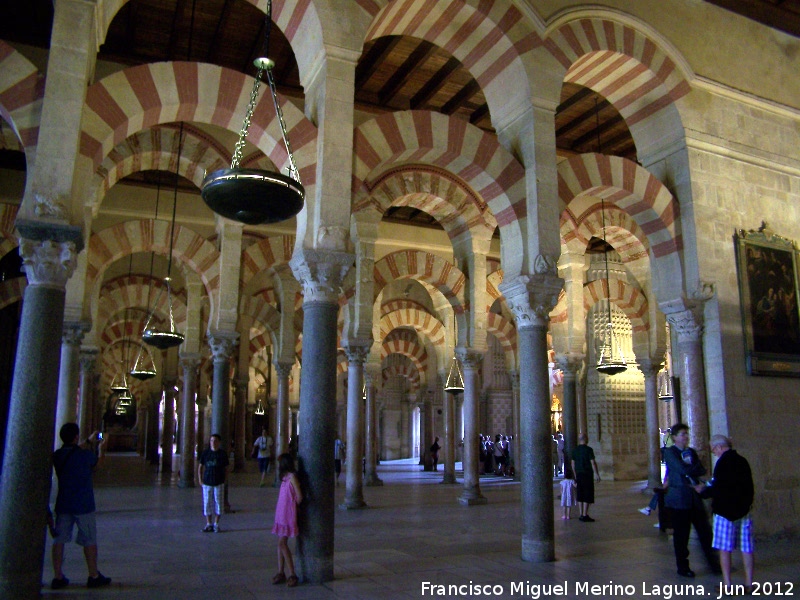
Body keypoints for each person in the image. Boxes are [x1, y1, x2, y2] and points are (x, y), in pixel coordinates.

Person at [50, 423, 112, 590]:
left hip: (63, 504)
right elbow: (98, 465)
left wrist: (88, 441)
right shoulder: (84, 456)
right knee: (89, 540)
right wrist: (102, 448)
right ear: (76, 437)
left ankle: (57, 576)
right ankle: (93, 575)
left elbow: (72, 450)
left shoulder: (58, 456)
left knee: (59, 540)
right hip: (84, 504)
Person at [694, 435, 755, 592]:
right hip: (743, 512)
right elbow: (749, 487)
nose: (714, 452)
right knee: (746, 548)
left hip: (725, 513)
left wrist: (703, 492)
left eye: (714, 449)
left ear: (720, 447)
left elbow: (719, 488)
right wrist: (747, 505)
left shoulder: (722, 463)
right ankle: (749, 583)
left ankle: (727, 585)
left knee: (724, 549)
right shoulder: (742, 461)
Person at [663, 423, 719, 578]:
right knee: (682, 535)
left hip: (694, 498)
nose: (686, 437)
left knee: (705, 533)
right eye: (682, 434)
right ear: (674, 437)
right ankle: (683, 567)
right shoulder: (670, 452)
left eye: (686, 434)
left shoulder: (691, 452)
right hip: (679, 499)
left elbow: (702, 469)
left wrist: (690, 468)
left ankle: (714, 564)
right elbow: (682, 469)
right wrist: (691, 468)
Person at [272, 453, 302, 588]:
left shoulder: (292, 477)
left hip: (288, 514)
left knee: (282, 544)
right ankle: (280, 572)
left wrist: (292, 504)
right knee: (280, 544)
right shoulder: (284, 477)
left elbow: (299, 497)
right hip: (281, 514)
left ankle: (292, 573)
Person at [197, 433, 229, 532]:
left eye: (215, 441)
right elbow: (200, 467)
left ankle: (216, 523)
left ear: (219, 442)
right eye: (211, 440)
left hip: (218, 482)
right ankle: (208, 523)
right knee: (207, 503)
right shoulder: (206, 453)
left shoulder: (222, 454)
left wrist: (225, 480)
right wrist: (200, 480)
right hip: (207, 482)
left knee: (219, 504)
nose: (213, 443)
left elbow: (226, 468)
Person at [571, 434, 601, 522]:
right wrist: (597, 474)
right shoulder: (589, 450)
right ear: (585, 439)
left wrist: (575, 474)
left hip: (579, 474)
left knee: (580, 493)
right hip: (587, 474)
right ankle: (585, 514)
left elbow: (572, 464)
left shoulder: (575, 450)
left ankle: (581, 514)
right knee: (587, 494)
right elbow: (593, 462)